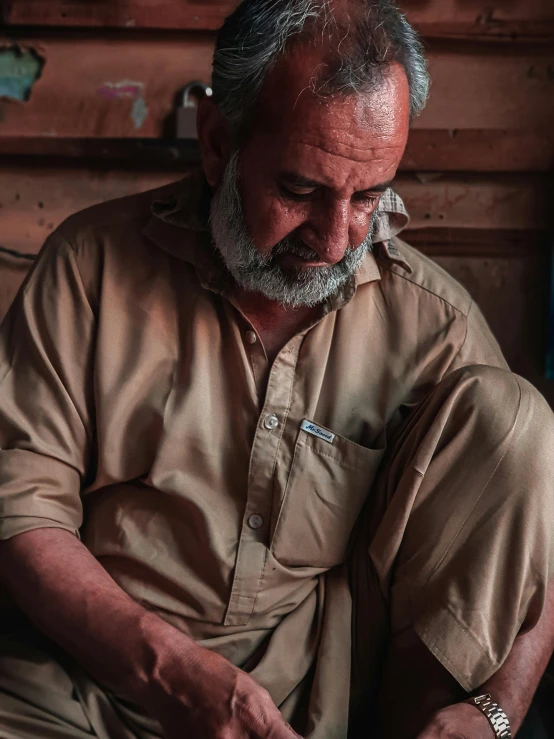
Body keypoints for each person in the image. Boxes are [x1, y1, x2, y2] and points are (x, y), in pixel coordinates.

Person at [0, 1, 553, 737]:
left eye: (369, 197)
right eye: (300, 191)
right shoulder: (89, 268)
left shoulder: (430, 323)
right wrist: (170, 672)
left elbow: (536, 559)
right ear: (217, 142)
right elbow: (21, 510)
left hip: (310, 695)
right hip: (86, 676)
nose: (334, 238)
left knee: (517, 420)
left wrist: (496, 713)